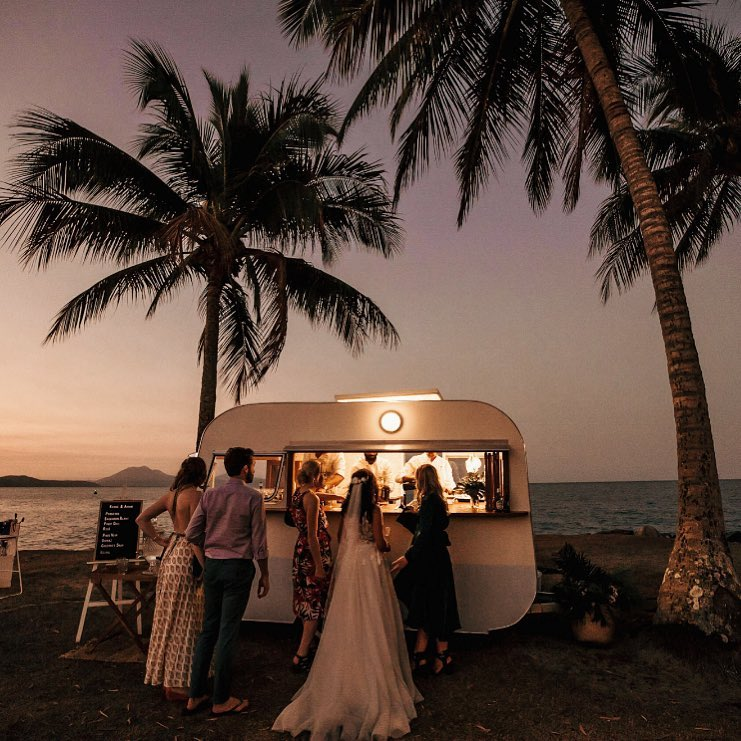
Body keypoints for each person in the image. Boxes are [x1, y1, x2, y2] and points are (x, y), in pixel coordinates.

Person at [273, 470, 422, 739]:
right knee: (373, 616)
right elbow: (380, 543)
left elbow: (342, 539)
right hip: (369, 565)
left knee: (347, 616)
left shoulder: (345, 511)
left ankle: (344, 667)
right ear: (372, 487)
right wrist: (387, 543)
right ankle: (373, 666)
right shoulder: (374, 510)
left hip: (351, 565)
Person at [183, 447, 270, 717]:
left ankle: (195, 695)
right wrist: (265, 574)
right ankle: (221, 699)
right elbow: (259, 543)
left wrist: (210, 548)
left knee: (208, 629)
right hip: (237, 568)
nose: (253, 470)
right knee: (227, 632)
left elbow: (191, 533)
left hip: (212, 566)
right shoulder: (253, 497)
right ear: (245, 469)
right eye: (252, 465)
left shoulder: (210, 495)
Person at [136, 456, 208, 702]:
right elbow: (195, 536)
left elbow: (141, 519)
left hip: (171, 554)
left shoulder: (171, 496)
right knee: (187, 619)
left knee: (167, 616)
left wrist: (159, 539)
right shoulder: (197, 496)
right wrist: (204, 566)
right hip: (187, 554)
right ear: (200, 475)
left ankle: (165, 677)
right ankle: (180, 684)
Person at [391, 464, 460, 675]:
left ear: (420, 480)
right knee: (436, 603)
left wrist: (408, 556)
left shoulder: (429, 501)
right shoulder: (437, 499)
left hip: (429, 559)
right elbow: (430, 528)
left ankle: (426, 655)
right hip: (436, 557)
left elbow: (425, 532)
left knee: (425, 600)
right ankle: (437, 654)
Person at [288, 458, 333, 672]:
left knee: (305, 599)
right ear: (316, 476)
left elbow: (313, 499)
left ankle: (307, 646)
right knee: (314, 602)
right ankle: (301, 654)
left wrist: (335, 497)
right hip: (312, 555)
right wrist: (319, 566)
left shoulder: (299, 494)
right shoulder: (312, 499)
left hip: (301, 552)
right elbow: (313, 536)